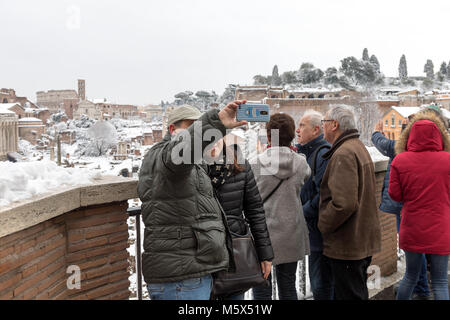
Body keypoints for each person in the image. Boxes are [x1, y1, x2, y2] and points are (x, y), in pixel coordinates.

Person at [137, 101, 248, 300]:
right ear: (173, 129)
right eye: (192, 126)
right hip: (181, 278)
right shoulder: (164, 155)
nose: (200, 133)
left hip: (188, 273)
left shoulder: (191, 162)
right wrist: (216, 121)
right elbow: (182, 151)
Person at [318, 105, 381, 300]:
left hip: (348, 244)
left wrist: (323, 223)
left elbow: (343, 204)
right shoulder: (357, 146)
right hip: (359, 241)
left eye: (324, 123)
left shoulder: (344, 153)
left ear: (334, 125)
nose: (322, 127)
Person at [389, 111, 450, 300]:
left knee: (410, 276)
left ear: (408, 136)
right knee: (440, 281)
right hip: (441, 227)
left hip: (412, 227)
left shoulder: (400, 161)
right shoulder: (448, 160)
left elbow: (395, 195)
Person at [250, 113, 311, 300]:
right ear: (292, 135)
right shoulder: (301, 163)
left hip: (263, 235)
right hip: (291, 233)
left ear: (269, 136)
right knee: (288, 286)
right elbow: (305, 176)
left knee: (262, 287)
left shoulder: (256, 163)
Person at [206, 135, 274, 300]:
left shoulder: (240, 164)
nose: (213, 143)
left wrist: (265, 254)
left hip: (235, 254)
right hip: (203, 257)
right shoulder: (193, 169)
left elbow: (255, 210)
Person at [372, 119, 432, 300]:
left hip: (405, 207)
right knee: (419, 247)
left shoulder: (401, 147)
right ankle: (420, 284)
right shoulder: (433, 151)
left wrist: (376, 132)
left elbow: (382, 144)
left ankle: (420, 287)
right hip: (423, 206)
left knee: (413, 249)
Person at [295, 110, 333, 300]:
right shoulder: (305, 152)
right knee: (319, 282)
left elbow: (324, 193)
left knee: (321, 285)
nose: (297, 130)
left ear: (316, 129)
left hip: (320, 232)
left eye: (302, 125)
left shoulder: (323, 153)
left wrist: (302, 211)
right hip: (312, 230)